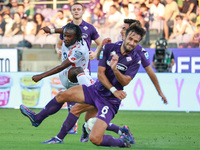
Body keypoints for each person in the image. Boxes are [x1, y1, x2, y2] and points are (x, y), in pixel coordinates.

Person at [20, 22, 146, 148]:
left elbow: (125, 81)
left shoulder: (135, 59)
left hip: (109, 100)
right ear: (126, 36)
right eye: (130, 39)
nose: (132, 43)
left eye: (136, 41)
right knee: (62, 96)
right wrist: (101, 47)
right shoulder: (109, 48)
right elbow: (101, 75)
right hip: (96, 90)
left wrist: (115, 70)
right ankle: (41, 122)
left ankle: (123, 141)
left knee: (95, 138)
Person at [41, 2, 102, 134]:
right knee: (71, 93)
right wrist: (58, 49)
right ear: (71, 11)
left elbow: (101, 42)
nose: (76, 11)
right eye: (74, 9)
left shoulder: (90, 28)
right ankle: (76, 124)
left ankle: (86, 123)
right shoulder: (67, 28)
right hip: (70, 67)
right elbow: (59, 43)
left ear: (83, 11)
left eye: (78, 9)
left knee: (83, 94)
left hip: (84, 68)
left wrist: (96, 53)